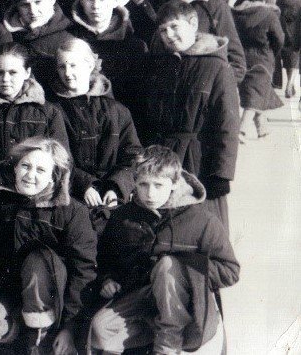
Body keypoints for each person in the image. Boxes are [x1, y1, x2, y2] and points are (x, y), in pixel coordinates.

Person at [89, 146, 239, 355]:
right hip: (144, 298)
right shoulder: (123, 217)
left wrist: (186, 270)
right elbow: (106, 258)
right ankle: (161, 333)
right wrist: (107, 279)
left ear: (174, 183)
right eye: (143, 184)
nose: (150, 193)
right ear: (134, 182)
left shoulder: (201, 220)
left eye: (158, 185)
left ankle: (167, 347)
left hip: (189, 303)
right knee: (100, 332)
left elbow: (230, 271)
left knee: (167, 267)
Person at [0, 137, 96, 354]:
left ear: (54, 176)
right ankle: (17, 329)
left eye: (41, 170)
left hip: (51, 294)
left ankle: (39, 334)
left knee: (38, 257)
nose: (30, 175)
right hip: (11, 290)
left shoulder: (71, 211)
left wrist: (70, 327)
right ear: (15, 167)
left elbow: (83, 270)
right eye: (26, 166)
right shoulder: (0, 200)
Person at [145, 0, 239, 230]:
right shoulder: (160, 65)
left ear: (193, 23)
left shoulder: (217, 67)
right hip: (164, 159)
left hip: (200, 162)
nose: (169, 35)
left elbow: (227, 124)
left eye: (174, 26)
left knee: (202, 226)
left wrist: (221, 174)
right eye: (163, 30)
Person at [52, 39, 141, 209]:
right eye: (62, 66)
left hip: (112, 199)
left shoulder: (117, 111)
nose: (68, 73)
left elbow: (133, 155)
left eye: (73, 65)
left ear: (90, 65)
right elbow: (55, 157)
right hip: (71, 197)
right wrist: (84, 185)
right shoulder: (54, 111)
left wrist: (116, 188)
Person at [0, 43, 68, 174]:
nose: (5, 79)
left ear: (27, 72)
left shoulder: (48, 112)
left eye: (13, 72)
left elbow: (61, 161)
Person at [66, 0, 148, 124]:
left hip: (123, 121)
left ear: (114, 1)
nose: (96, 5)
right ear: (81, 0)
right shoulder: (69, 39)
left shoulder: (134, 46)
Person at [3, 0, 74, 94]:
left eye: (38, 2)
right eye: (25, 4)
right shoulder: (5, 34)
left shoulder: (69, 37)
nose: (33, 11)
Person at [232, 0, 284, 140]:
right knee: (256, 94)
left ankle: (262, 128)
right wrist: (272, 52)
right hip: (263, 58)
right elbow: (279, 38)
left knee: (255, 92)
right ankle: (241, 130)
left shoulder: (235, 14)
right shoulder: (269, 15)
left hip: (241, 57)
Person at [277, 0, 301, 97]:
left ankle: (291, 85)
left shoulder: (280, 1)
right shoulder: (299, 2)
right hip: (296, 35)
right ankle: (290, 84)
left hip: (283, 34)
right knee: (295, 61)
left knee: (287, 61)